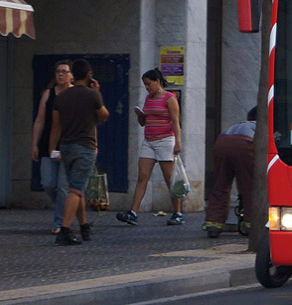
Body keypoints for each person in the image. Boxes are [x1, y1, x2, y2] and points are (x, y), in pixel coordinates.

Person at [48, 59, 108, 246]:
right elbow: (104, 116)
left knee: (77, 186)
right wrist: (97, 93)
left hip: (66, 146)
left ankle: (84, 226)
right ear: (88, 75)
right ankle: (64, 230)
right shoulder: (92, 95)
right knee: (74, 189)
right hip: (85, 147)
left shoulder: (61, 97)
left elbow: (55, 126)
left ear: (74, 74)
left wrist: (52, 149)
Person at [117, 68, 184, 226]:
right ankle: (133, 212)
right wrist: (141, 116)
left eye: (149, 84)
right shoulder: (148, 98)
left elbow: (175, 121)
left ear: (157, 82)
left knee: (169, 178)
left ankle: (178, 212)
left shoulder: (170, 98)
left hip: (165, 140)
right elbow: (143, 123)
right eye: (145, 85)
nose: (147, 87)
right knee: (142, 176)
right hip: (149, 140)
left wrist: (178, 142)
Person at [31, 60, 72, 234]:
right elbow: (40, 120)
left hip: (69, 144)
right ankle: (68, 206)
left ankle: (59, 221)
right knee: (48, 183)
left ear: (71, 75)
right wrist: (34, 144)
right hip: (48, 144)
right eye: (58, 71)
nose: (60, 74)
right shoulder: (48, 94)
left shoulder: (74, 93)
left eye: (64, 71)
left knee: (63, 186)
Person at [203, 106, 256, 238]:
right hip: (245, 144)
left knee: (221, 183)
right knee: (250, 186)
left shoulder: (239, 125)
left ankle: (213, 224)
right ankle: (251, 223)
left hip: (222, 142)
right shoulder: (261, 125)